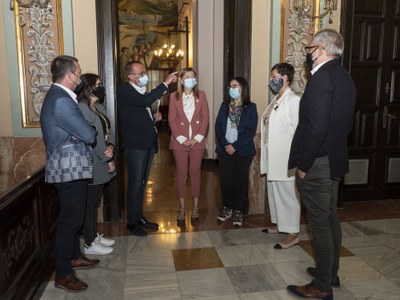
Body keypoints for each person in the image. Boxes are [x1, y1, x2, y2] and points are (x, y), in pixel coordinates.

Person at [287, 29, 356, 300]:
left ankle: (322, 287)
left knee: (320, 224)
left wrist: (304, 164)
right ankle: (330, 273)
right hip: (336, 159)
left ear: (322, 49)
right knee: (330, 219)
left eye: (310, 47)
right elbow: (345, 125)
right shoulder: (345, 77)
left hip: (318, 162)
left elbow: (315, 128)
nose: (307, 51)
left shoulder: (321, 79)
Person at [40, 55, 99, 292]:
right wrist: (86, 131)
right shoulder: (61, 100)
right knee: (70, 221)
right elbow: (89, 135)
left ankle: (74, 256)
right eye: (78, 72)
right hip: (68, 169)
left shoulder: (60, 96)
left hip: (70, 167)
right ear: (69, 75)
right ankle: (63, 273)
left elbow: (81, 133)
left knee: (74, 218)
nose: (80, 76)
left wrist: (80, 133)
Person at [118, 61, 178, 236]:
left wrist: (153, 119)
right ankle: (131, 222)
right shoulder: (125, 91)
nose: (144, 75)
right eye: (141, 72)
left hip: (146, 143)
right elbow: (145, 100)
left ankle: (139, 217)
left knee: (142, 183)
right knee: (135, 183)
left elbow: (137, 114)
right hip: (135, 145)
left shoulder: (138, 90)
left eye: (145, 72)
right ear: (131, 76)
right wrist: (166, 83)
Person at [260, 62, 301, 249]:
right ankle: (280, 224)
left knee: (287, 194)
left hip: (285, 157)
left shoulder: (293, 100)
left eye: (274, 77)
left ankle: (293, 233)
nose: (271, 80)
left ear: (285, 78)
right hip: (272, 153)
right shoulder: (277, 98)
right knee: (274, 190)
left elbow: (298, 131)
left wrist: (295, 158)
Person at [77, 73, 116, 255]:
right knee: (90, 204)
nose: (101, 87)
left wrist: (112, 147)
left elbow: (109, 130)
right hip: (92, 162)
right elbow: (88, 139)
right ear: (88, 87)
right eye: (98, 84)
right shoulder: (82, 109)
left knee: (95, 201)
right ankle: (89, 242)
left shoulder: (99, 106)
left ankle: (93, 237)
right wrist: (105, 157)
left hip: (103, 159)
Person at [168, 68, 209, 224]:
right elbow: (171, 119)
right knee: (181, 174)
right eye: (187, 77)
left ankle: (196, 207)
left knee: (196, 173)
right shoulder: (173, 97)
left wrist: (197, 138)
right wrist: (181, 138)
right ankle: (182, 207)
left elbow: (206, 118)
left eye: (193, 77)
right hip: (179, 142)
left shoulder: (201, 95)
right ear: (181, 80)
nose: (191, 79)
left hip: (197, 142)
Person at [215, 77, 258, 226]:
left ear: (243, 88)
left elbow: (251, 131)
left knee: (240, 181)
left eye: (235, 86)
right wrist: (226, 145)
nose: (231, 88)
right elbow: (218, 128)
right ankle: (227, 208)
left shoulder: (251, 107)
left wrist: (236, 146)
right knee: (226, 180)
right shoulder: (224, 106)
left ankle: (238, 210)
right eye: (230, 86)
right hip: (224, 149)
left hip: (243, 151)